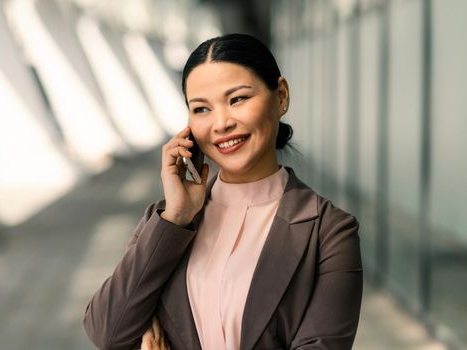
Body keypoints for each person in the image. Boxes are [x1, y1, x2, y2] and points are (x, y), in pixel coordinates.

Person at [83, 33, 362, 350]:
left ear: (281, 96)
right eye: (201, 109)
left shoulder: (329, 232)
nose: (221, 123)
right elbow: (107, 332)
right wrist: (177, 216)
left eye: (238, 99)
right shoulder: (165, 221)